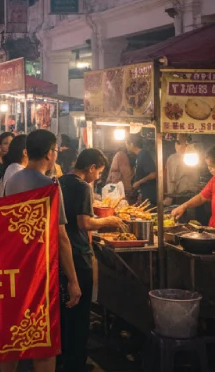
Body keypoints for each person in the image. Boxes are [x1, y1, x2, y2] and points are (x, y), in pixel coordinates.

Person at [0, 129, 81, 372]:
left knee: (12, 335)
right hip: (39, 271)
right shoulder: (50, 187)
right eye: (55, 151)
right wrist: (74, 281)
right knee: (44, 340)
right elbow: (62, 237)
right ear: (49, 154)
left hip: (13, 267)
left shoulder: (13, 180)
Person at [58, 149, 125, 372]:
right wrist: (109, 221)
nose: (98, 177)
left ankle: (63, 359)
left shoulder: (61, 181)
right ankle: (76, 364)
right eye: (99, 172)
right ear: (91, 168)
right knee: (80, 314)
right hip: (78, 253)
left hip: (62, 254)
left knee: (66, 313)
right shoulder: (83, 186)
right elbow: (84, 223)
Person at [171, 145, 215, 227]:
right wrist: (184, 206)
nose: (210, 169)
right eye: (208, 166)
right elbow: (202, 197)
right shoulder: (213, 180)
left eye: (212, 166)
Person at [127, 133, 157, 206]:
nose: (126, 146)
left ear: (131, 144)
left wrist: (139, 182)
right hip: (143, 195)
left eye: (126, 143)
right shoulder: (139, 156)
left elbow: (153, 174)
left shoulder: (144, 154)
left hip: (149, 195)